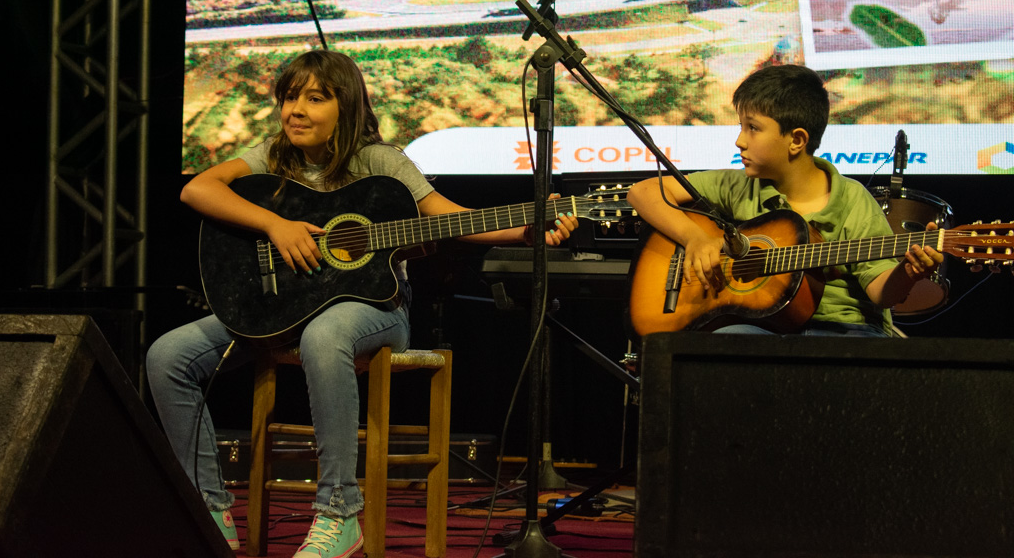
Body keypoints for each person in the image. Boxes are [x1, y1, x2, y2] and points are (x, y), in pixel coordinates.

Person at [147, 50, 578, 556]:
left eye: (315, 98)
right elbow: (198, 189)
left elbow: (451, 217)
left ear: (346, 107)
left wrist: (528, 230)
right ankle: (207, 506)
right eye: (289, 98)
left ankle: (339, 512)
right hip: (281, 309)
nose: (296, 110)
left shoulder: (380, 163)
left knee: (325, 333)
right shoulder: (274, 155)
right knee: (167, 356)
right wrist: (274, 224)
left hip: (377, 310)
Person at [627, 64, 943, 337]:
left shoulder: (851, 199)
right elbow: (642, 192)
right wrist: (695, 237)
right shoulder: (739, 184)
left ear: (796, 140)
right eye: (741, 127)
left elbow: (881, 292)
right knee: (719, 349)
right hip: (760, 328)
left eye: (752, 128)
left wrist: (908, 273)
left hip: (845, 329)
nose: (739, 140)